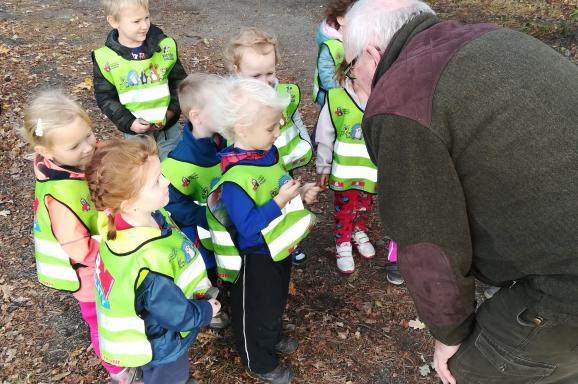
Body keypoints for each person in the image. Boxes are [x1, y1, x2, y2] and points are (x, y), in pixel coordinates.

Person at [343, 0, 578, 383]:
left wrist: (449, 335)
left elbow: (427, 239)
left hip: (567, 284)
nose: (354, 82)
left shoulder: (402, 100)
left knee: (469, 369)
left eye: (350, 69)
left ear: (372, 55)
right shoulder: (490, 39)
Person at [21, 90, 140, 384]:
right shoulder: (60, 197)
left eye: (89, 135)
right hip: (88, 276)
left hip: (105, 259)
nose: (89, 147)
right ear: (47, 152)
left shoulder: (74, 162)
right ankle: (118, 370)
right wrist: (118, 251)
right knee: (102, 321)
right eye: (76, 145)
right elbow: (77, 247)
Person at [206, 78, 320, 384]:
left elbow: (278, 185)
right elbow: (248, 228)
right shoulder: (236, 179)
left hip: (279, 248)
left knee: (274, 300)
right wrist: (279, 201)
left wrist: (299, 193)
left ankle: (271, 335)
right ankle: (258, 359)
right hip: (255, 257)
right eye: (270, 128)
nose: (277, 132)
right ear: (242, 129)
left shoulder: (266, 155)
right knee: (255, 307)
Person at [84, 136, 221, 384]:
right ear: (129, 202)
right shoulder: (148, 260)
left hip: (145, 332)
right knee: (170, 378)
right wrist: (205, 311)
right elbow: (175, 314)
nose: (167, 181)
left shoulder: (116, 221)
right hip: (158, 343)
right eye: (156, 181)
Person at [223, 28, 313, 266]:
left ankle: (288, 237)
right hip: (250, 170)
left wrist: (305, 145)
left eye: (270, 73)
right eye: (256, 76)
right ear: (237, 70)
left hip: (278, 160)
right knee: (259, 204)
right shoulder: (233, 103)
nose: (265, 82)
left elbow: (295, 120)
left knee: (286, 196)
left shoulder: (281, 93)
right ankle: (264, 241)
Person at [315, 63, 400, 281]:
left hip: (371, 171)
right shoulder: (336, 99)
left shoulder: (383, 99)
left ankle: (357, 229)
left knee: (365, 204)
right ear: (352, 69)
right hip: (345, 172)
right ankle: (342, 241)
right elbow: (325, 135)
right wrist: (323, 165)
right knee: (345, 207)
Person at [161, 73, 230, 329]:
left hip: (222, 224)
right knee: (206, 269)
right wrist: (206, 216)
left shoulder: (222, 141)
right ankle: (207, 307)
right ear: (197, 116)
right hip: (201, 229)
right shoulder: (179, 163)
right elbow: (173, 205)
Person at [92, 0, 187, 160]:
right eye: (136, 21)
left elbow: (180, 83)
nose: (144, 25)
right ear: (114, 21)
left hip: (168, 130)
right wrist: (129, 122)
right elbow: (106, 98)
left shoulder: (164, 48)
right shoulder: (105, 59)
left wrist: (172, 111)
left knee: (175, 168)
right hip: (136, 135)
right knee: (143, 174)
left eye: (147, 18)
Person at [311, 0, 356, 107]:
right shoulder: (329, 46)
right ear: (341, 19)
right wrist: (342, 91)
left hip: (347, 92)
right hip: (329, 95)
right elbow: (326, 76)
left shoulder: (351, 39)